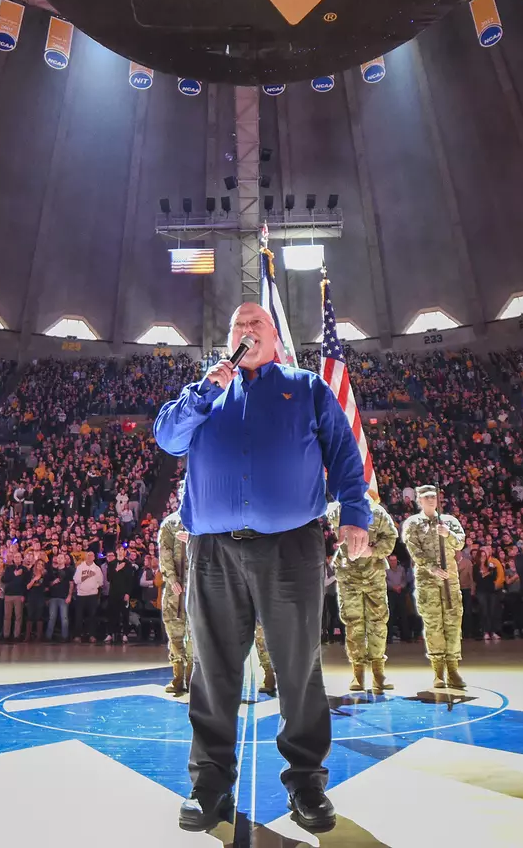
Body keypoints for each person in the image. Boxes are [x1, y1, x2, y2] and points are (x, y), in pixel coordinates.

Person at [153, 302, 370, 834]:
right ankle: (209, 784)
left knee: (298, 668)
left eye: (257, 325)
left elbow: (343, 452)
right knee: (213, 669)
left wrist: (355, 514)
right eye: (238, 326)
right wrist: (202, 392)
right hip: (213, 551)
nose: (247, 331)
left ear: (275, 339)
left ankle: (306, 782)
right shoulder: (204, 393)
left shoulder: (308, 387)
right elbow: (167, 438)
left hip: (292, 548)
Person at [327, 496, 397, 693]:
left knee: (378, 623)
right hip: (349, 575)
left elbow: (391, 537)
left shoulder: (378, 512)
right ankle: (357, 673)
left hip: (374, 575)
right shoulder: (338, 511)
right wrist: (350, 508)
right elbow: (333, 521)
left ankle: (378, 673)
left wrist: (372, 551)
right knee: (353, 623)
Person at [402, 484, 468, 689]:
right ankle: (438, 672)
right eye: (427, 497)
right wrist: (431, 567)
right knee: (433, 625)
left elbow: (461, 543)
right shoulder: (412, 523)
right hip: (427, 581)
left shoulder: (449, 521)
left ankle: (453, 669)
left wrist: (448, 534)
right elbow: (414, 551)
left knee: (453, 624)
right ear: (419, 500)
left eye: (434, 497)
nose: (432, 500)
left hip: (450, 580)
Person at [158, 509, 191, 695]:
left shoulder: (203, 521)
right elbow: (165, 551)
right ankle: (178, 678)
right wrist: (172, 579)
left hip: (196, 585)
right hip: (175, 588)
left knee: (196, 635)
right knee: (174, 631)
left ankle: (194, 679)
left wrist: (193, 541)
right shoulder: (171, 523)